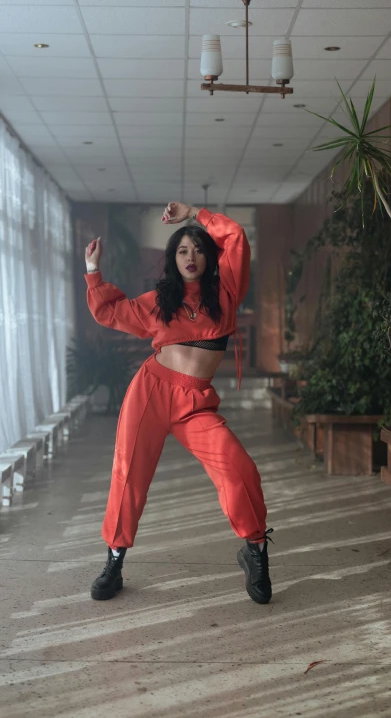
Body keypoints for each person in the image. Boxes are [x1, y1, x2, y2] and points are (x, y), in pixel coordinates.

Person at [84, 201, 272, 605]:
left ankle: (255, 550)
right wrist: (93, 272)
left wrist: (194, 214)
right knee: (129, 472)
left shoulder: (226, 291)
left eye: (199, 249)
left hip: (196, 401)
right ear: (173, 258)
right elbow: (111, 311)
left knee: (238, 467)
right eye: (183, 250)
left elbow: (235, 236)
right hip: (151, 390)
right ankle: (115, 560)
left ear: (210, 257)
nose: (191, 257)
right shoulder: (159, 300)